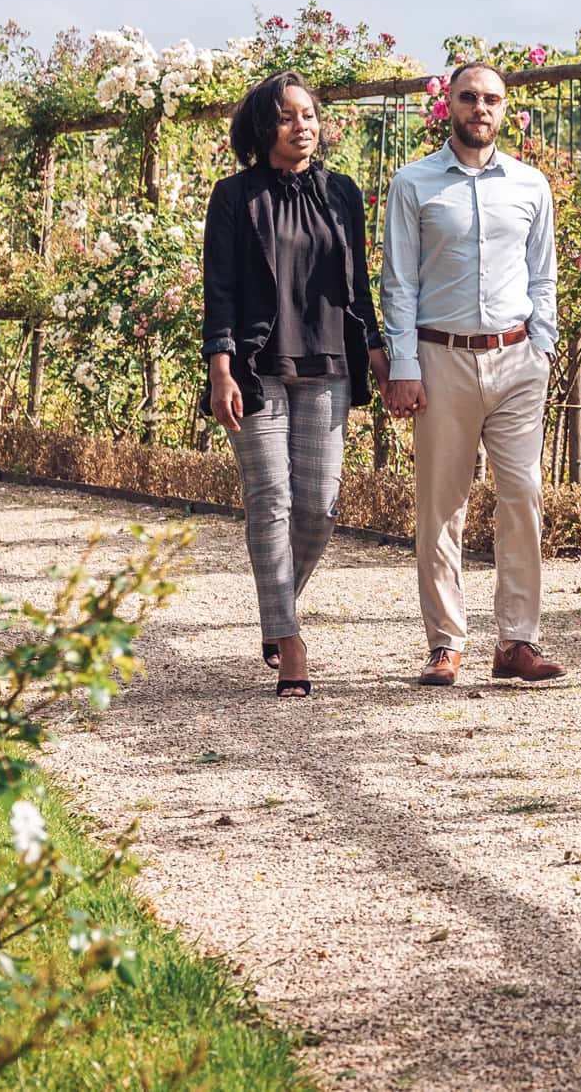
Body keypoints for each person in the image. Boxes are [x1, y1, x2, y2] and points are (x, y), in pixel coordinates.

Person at [202, 72, 391, 698]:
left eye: (308, 114)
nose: (301, 126)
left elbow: (358, 284)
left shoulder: (342, 193)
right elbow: (219, 288)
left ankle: (274, 610)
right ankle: (288, 640)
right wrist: (220, 366)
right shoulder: (235, 196)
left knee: (318, 507)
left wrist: (376, 350)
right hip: (256, 368)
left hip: (329, 364)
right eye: (286, 117)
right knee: (271, 501)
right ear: (263, 128)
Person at [380, 61, 564, 686]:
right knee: (441, 504)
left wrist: (542, 346)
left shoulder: (531, 185)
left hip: (517, 360)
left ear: (504, 109)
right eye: (468, 97)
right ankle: (445, 643)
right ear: (449, 106)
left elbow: (543, 276)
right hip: (441, 359)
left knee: (524, 496)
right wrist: (404, 365)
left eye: (490, 99)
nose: (479, 108)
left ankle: (517, 642)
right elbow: (399, 283)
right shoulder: (414, 184)